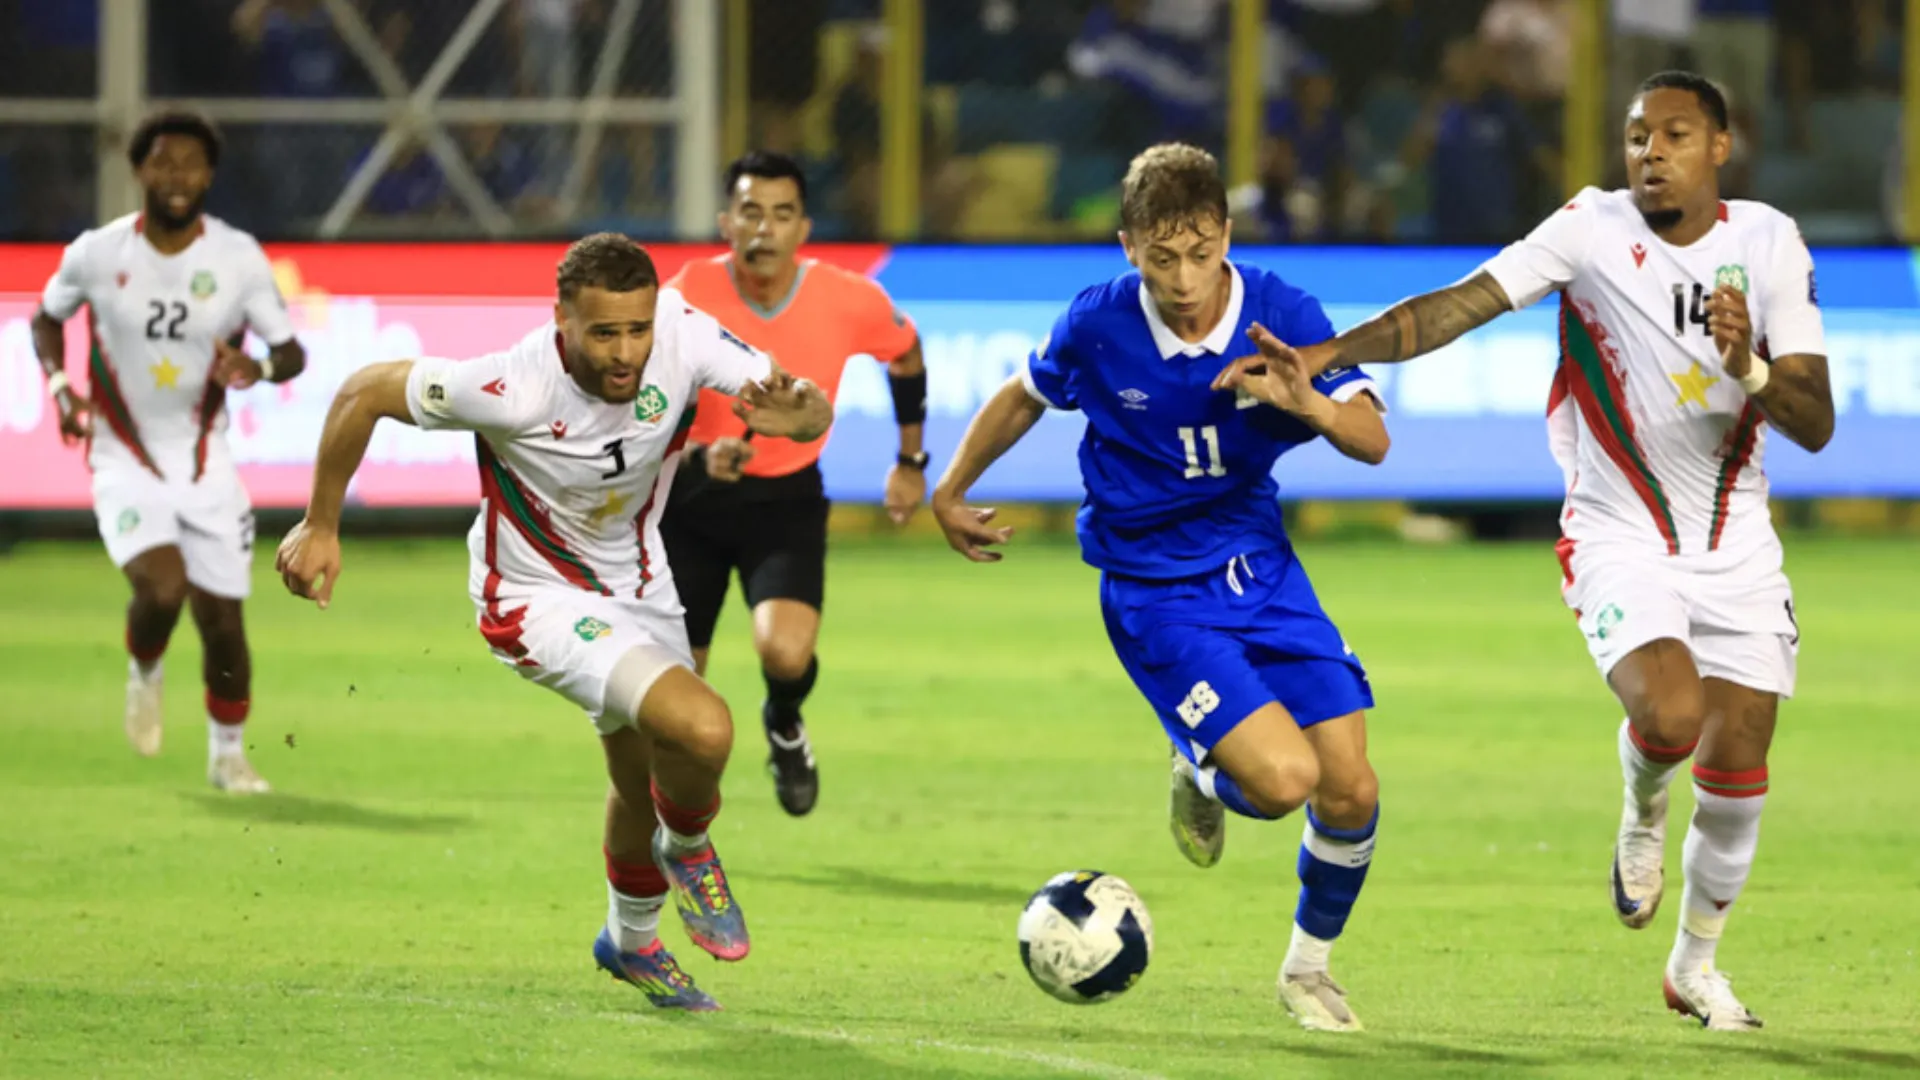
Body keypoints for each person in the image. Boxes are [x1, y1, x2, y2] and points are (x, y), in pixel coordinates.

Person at [1237, 72, 1833, 1030]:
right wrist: (1325, 355)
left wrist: (1749, 369)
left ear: (1721, 147)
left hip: (1738, 546)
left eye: (1675, 135)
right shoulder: (1591, 227)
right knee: (1672, 719)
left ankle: (1695, 967)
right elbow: (1458, 304)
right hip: (1618, 532)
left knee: (1740, 765)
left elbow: (1816, 422)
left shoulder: (1768, 242)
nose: (1649, 152)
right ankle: (1643, 803)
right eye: (1636, 136)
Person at [274, 234, 832, 1011]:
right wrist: (321, 523)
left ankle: (631, 942)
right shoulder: (511, 385)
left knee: (641, 771)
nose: (625, 352)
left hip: (640, 582)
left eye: (636, 329)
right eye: (604, 333)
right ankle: (689, 847)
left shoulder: (682, 330)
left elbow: (805, 406)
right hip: (533, 598)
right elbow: (362, 392)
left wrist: (803, 416)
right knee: (704, 730)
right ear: (562, 318)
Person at [931, 143, 1391, 1032]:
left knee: (1353, 790)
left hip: (1262, 569)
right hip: (1155, 590)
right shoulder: (1098, 324)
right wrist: (951, 489)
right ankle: (1204, 770)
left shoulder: (1284, 313)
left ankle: (1307, 971)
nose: (1183, 280)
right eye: (1161, 258)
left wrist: (1309, 402)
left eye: (1200, 254)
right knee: (1285, 782)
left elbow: (1372, 441)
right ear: (1128, 247)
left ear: (1226, 235)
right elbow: (1024, 393)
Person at [31, 108, 308, 793]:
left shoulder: (237, 258)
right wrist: (61, 388)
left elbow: (291, 353)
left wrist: (255, 368)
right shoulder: (97, 253)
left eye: (191, 164)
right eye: (163, 162)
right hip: (122, 455)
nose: (177, 176)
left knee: (223, 622)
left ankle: (227, 756)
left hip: (206, 461)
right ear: (139, 170)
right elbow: (45, 318)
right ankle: (145, 668)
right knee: (162, 588)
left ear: (209, 175)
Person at [661, 151, 926, 817]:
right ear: (726, 221)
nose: (765, 229)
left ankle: (783, 720)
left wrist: (910, 461)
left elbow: (906, 353)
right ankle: (681, 826)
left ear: (803, 228)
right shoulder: (683, 297)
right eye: (751, 212)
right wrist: (696, 454)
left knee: (784, 653)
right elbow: (642, 403)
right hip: (689, 504)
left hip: (784, 501)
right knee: (676, 690)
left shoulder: (848, 298)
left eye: (782, 215)